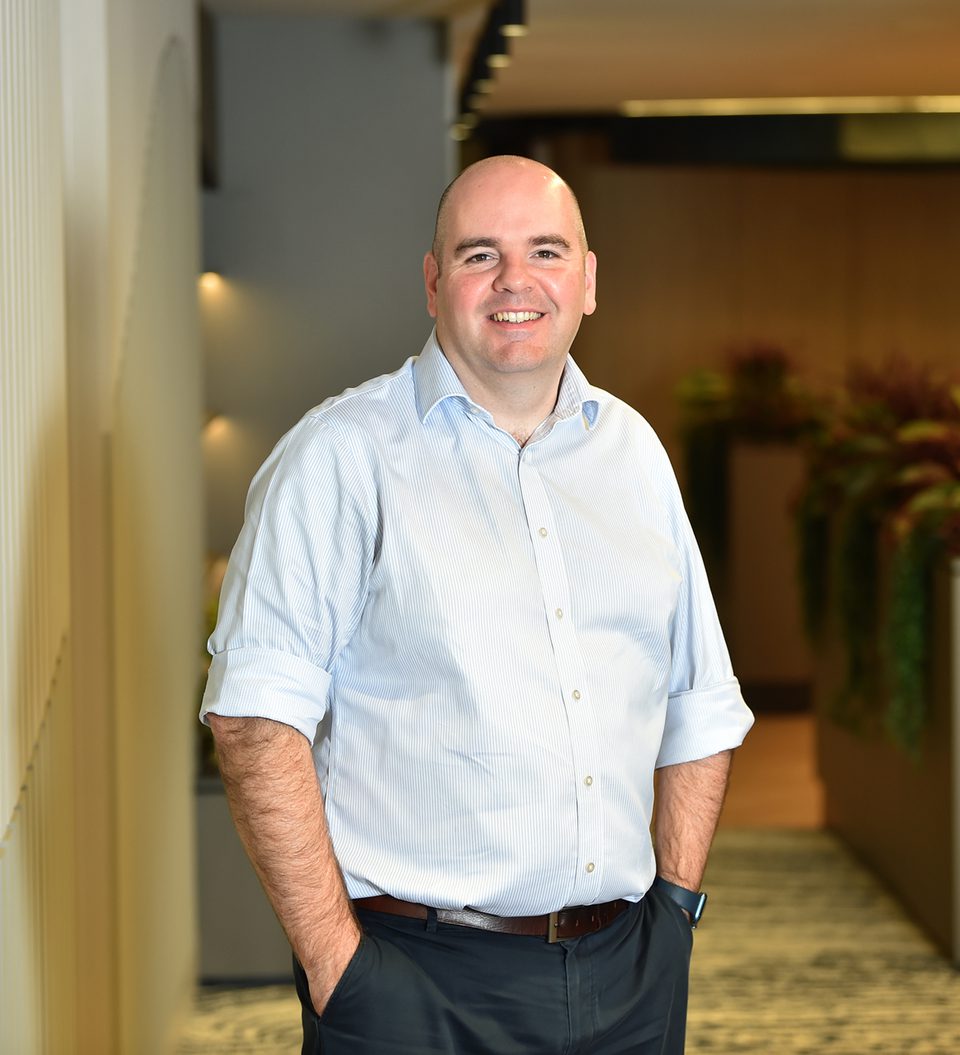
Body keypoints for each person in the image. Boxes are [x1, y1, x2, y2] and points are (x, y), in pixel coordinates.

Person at [201, 155, 754, 1054]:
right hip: (417, 982)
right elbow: (255, 722)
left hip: (628, 974)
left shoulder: (632, 453)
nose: (515, 282)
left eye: (545, 250)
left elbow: (702, 700)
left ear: (589, 279)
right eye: (477, 255)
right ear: (432, 282)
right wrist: (337, 964)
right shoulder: (343, 458)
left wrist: (675, 911)